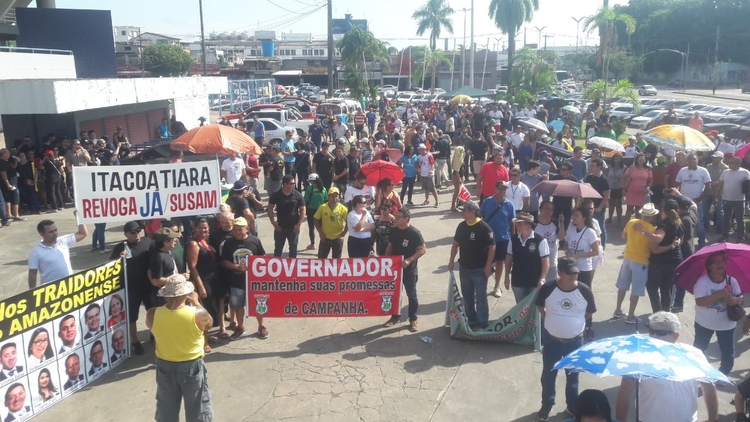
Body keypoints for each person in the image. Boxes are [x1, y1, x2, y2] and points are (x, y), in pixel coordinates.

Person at [615, 312, 719, 422]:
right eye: (651, 331)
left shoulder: (695, 355)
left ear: (675, 336)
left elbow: (709, 388)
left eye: (660, 333)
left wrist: (713, 419)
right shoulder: (639, 357)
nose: (653, 336)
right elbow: (624, 393)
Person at [146, 274, 214, 422]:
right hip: (192, 366)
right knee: (198, 409)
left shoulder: (152, 313)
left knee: (166, 410)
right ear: (186, 293)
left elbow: (153, 326)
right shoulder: (197, 313)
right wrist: (196, 302)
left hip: (164, 365)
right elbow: (209, 324)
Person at [536, 257, 596, 421]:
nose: (574, 276)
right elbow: (541, 307)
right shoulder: (547, 288)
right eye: (569, 273)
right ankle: (547, 405)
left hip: (575, 342)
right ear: (560, 273)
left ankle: (572, 406)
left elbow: (590, 312)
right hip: (552, 341)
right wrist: (552, 319)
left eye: (575, 273)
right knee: (548, 375)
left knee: (573, 377)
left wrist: (575, 323)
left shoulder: (584, 291)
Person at [693, 251, 743, 374]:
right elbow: (700, 302)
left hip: (726, 325)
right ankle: (695, 371)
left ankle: (724, 373)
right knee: (698, 349)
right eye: (717, 262)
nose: (721, 264)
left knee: (727, 351)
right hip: (704, 323)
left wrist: (736, 300)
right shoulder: (703, 282)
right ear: (709, 265)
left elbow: (742, 299)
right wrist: (720, 294)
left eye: (723, 262)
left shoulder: (732, 281)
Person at [448, 201, 495, 330]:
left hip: (479, 269)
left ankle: (483, 323)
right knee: (467, 296)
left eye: (465, 211)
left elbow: (492, 247)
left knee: (481, 298)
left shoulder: (484, 228)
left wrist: (488, 265)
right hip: (464, 268)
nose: (462, 213)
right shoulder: (461, 226)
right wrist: (451, 260)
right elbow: (456, 244)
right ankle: (471, 320)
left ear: (473, 212)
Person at [219, 217, 267, 340]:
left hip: (254, 282)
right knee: (238, 306)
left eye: (240, 229)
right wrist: (235, 266)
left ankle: (261, 326)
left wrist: (255, 267)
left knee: (258, 304)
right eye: (235, 230)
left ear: (247, 229)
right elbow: (223, 261)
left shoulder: (255, 241)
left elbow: (264, 258)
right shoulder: (228, 243)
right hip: (236, 281)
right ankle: (240, 327)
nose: (237, 232)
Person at [109, 221, 153, 355]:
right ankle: (135, 342)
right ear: (126, 234)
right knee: (132, 317)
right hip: (131, 289)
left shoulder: (148, 242)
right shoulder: (120, 247)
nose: (137, 234)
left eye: (139, 230)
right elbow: (110, 267)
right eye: (133, 232)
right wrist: (118, 259)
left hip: (148, 287)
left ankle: (154, 333)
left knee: (152, 312)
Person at [613, 203, 659, 324]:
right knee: (636, 290)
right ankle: (631, 316)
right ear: (653, 216)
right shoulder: (652, 229)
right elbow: (654, 242)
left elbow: (623, 236)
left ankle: (618, 310)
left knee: (622, 286)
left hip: (627, 258)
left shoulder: (631, 222)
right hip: (641, 261)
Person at [382, 207, 426, 331]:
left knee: (411, 295)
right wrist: (385, 261)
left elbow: (422, 249)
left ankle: (413, 319)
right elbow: (390, 246)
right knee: (395, 294)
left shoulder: (414, 233)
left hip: (409, 270)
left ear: (406, 219)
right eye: (395, 216)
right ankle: (395, 317)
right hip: (395, 270)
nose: (395, 218)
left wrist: (409, 260)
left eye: (398, 217)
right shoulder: (394, 231)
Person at [640, 199, 684, 313]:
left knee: (652, 288)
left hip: (660, 262)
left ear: (663, 210)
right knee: (666, 288)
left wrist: (643, 231)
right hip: (675, 261)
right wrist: (673, 246)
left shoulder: (663, 225)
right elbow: (681, 241)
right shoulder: (679, 223)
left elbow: (657, 240)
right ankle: (665, 313)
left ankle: (657, 314)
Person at [564, 207, 600, 341]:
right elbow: (566, 243)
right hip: (571, 267)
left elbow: (596, 251)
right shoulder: (571, 229)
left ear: (584, 218)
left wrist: (579, 255)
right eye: (573, 215)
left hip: (584, 269)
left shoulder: (590, 232)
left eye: (577, 216)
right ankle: (575, 323)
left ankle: (589, 325)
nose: (574, 218)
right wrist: (567, 250)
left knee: (584, 297)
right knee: (572, 295)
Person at [186, 218, 219, 353]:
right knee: (202, 314)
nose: (204, 230)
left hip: (212, 280)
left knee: (210, 311)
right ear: (194, 228)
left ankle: (206, 335)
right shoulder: (193, 244)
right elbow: (192, 267)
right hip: (202, 281)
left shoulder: (205, 240)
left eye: (206, 228)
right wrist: (200, 287)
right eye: (201, 228)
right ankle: (204, 342)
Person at [28, 215, 88, 288]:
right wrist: (32, 293)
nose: (55, 233)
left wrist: (79, 218)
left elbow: (83, 233)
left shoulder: (63, 241)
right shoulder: (36, 252)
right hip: (51, 291)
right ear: (42, 234)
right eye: (51, 232)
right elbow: (32, 274)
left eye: (55, 230)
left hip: (70, 285)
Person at [480, 181, 515, 298]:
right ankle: (482, 286)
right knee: (486, 262)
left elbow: (512, 222)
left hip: (503, 238)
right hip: (488, 238)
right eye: (500, 189)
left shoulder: (509, 204)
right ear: (495, 189)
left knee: (500, 262)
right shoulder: (487, 202)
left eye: (504, 189)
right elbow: (481, 218)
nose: (502, 192)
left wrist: (513, 238)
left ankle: (496, 286)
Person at [504, 212, 549, 303]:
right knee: (520, 307)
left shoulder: (540, 240)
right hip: (518, 281)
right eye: (516, 223)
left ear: (528, 225)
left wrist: (542, 278)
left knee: (533, 308)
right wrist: (506, 276)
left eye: (519, 224)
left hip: (534, 281)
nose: (517, 226)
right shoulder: (513, 239)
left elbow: (545, 260)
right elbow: (509, 257)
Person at [676, 154, 711, 247]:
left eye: (694, 159)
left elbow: (708, 186)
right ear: (687, 161)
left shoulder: (703, 171)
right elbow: (677, 184)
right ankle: (682, 241)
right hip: (683, 201)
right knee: (682, 221)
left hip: (696, 201)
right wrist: (678, 196)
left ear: (697, 160)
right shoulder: (682, 171)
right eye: (690, 159)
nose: (692, 161)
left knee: (699, 222)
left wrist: (700, 198)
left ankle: (702, 242)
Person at [268, 175, 306, 258]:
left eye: (294, 183)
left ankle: (292, 267)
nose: (294, 185)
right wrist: (273, 222)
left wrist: (298, 225)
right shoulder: (276, 194)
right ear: (284, 184)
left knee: (293, 248)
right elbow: (270, 208)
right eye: (291, 183)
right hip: (280, 227)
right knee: (278, 249)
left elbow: (303, 210)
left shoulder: (297, 195)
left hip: (293, 227)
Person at [719, 155, 750, 242]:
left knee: (740, 219)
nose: (729, 164)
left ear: (738, 164)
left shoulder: (745, 172)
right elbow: (721, 184)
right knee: (726, 218)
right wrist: (716, 196)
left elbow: (748, 186)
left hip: (739, 199)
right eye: (729, 162)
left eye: (731, 163)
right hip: (726, 198)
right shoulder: (725, 172)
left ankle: (741, 237)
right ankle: (725, 235)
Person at [314, 186, 347, 259]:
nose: (334, 198)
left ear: (339, 197)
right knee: (321, 259)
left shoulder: (343, 209)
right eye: (332, 196)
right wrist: (320, 233)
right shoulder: (323, 207)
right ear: (329, 196)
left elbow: (348, 222)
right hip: (325, 237)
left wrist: (343, 235)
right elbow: (316, 219)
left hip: (337, 238)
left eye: (336, 196)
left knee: (336, 260)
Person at [584, 158, 610, 249]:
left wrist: (599, 208)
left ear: (599, 167)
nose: (590, 167)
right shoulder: (589, 178)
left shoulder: (604, 180)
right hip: (587, 208)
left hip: (598, 210)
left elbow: (606, 196)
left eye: (593, 166)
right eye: (590, 165)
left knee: (600, 230)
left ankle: (601, 248)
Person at [622, 154, 652, 222]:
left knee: (639, 209)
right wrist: (624, 187)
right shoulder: (631, 168)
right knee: (629, 209)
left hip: (642, 192)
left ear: (645, 160)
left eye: (642, 159)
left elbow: (651, 180)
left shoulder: (648, 169)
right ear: (636, 160)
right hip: (631, 191)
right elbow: (623, 177)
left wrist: (647, 188)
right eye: (639, 158)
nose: (641, 160)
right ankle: (627, 225)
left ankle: (637, 225)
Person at [705, 151, 727, 234]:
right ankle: (706, 226)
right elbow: (706, 177)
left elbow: (725, 179)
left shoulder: (725, 168)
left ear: (721, 158)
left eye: (716, 157)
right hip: (708, 191)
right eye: (713, 157)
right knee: (705, 210)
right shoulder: (708, 166)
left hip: (719, 192)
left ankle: (720, 227)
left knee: (719, 211)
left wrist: (717, 182)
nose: (714, 159)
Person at [551, 163, 579, 228]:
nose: (561, 171)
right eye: (561, 169)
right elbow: (550, 190)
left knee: (566, 223)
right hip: (556, 203)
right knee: (553, 223)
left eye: (564, 170)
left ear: (569, 171)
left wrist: (576, 204)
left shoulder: (573, 179)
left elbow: (576, 193)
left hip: (567, 204)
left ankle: (564, 237)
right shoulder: (555, 178)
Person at [304, 174, 327, 250]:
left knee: (311, 228)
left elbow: (306, 200)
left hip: (311, 210)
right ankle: (323, 243)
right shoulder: (323, 189)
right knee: (322, 229)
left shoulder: (309, 188)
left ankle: (312, 244)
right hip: (321, 210)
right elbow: (326, 200)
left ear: (312, 181)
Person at [606, 153, 626, 225]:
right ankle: (610, 218)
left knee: (618, 204)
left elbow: (625, 178)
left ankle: (618, 220)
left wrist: (624, 187)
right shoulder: (610, 167)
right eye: (615, 159)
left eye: (618, 159)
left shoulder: (624, 168)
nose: (617, 160)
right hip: (610, 187)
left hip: (619, 187)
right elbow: (606, 175)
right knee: (611, 203)